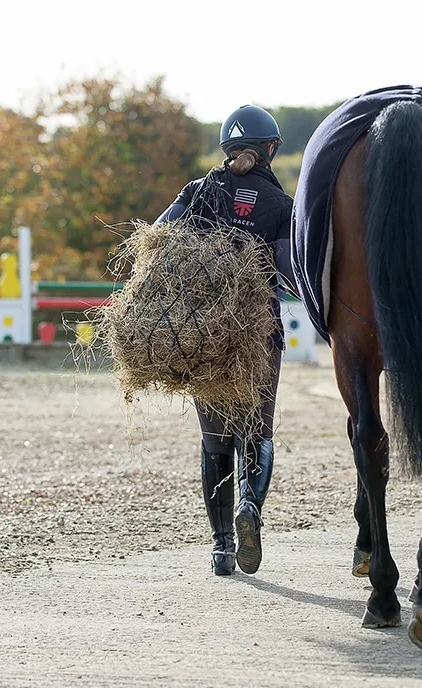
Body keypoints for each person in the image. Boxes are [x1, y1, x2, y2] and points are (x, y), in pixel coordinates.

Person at [155, 104, 295, 576]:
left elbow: (158, 240)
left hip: (204, 330)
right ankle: (250, 506)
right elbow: (290, 275)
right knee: (257, 432)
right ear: (270, 149)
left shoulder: (198, 192)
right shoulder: (282, 206)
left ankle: (221, 548)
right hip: (259, 332)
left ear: (228, 148)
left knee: (215, 441)